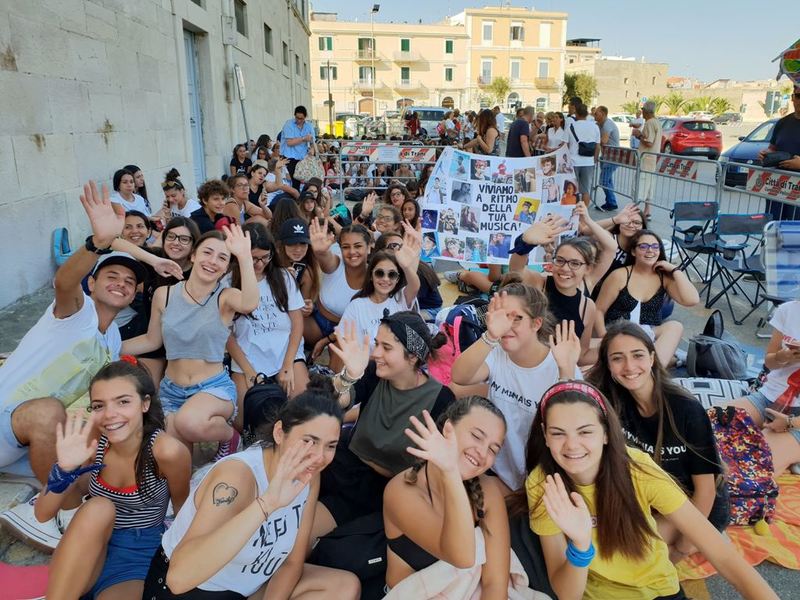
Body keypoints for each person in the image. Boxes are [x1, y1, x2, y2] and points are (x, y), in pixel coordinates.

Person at [521, 380, 778, 600]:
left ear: (606, 433)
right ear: (545, 435)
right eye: (558, 433)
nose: (572, 445)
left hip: (657, 593)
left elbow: (721, 554)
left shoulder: (638, 470)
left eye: (585, 431)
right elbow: (568, 594)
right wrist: (580, 544)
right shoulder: (542, 484)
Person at [0, 182, 146, 550]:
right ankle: (55, 513)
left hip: (30, 446)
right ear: (92, 282)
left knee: (109, 424)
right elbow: (64, 281)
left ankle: (52, 502)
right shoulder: (76, 312)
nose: (121, 284)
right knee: (50, 411)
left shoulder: (113, 338)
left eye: (129, 282)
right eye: (112, 276)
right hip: (7, 423)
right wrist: (98, 243)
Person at [142, 377, 361, 600]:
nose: (319, 456)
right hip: (193, 591)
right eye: (308, 441)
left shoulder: (309, 475)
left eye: (330, 446)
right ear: (279, 433)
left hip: (246, 588)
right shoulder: (238, 477)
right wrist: (268, 503)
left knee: (343, 587)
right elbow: (178, 579)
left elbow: (292, 562)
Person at [37, 360, 191, 599]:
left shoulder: (167, 452)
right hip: (87, 545)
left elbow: (183, 511)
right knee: (99, 507)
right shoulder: (96, 436)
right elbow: (42, 513)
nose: (109, 414)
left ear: (145, 403)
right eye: (99, 405)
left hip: (138, 555)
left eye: (123, 402)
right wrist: (64, 469)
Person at [587, 321, 729, 562]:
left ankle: (711, 538)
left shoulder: (686, 409)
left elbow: (706, 491)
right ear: (608, 365)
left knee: (625, 557)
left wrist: (682, 548)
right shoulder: (612, 401)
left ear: (652, 358)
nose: (629, 366)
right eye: (618, 358)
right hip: (648, 498)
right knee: (596, 545)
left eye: (638, 355)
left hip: (692, 505)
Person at [312, 312, 456, 538]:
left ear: (412, 356)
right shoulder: (374, 373)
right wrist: (348, 376)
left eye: (386, 347)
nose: (376, 353)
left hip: (385, 494)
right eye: (376, 344)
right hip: (343, 467)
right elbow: (332, 402)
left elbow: (434, 470)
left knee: (318, 539)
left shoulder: (441, 400)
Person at [121, 224, 258, 459]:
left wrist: (245, 257)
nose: (212, 261)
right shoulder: (165, 295)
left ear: (226, 267)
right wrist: (109, 346)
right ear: (193, 255)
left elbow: (249, 303)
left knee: (189, 422)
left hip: (212, 387)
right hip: (171, 390)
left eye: (222, 257)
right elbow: (152, 340)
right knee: (175, 457)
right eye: (207, 252)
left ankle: (230, 437)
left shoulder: (225, 297)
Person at [451, 286, 582, 493]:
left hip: (542, 480)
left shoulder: (561, 363)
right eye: (501, 316)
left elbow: (570, 430)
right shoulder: (496, 352)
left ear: (536, 323)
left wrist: (566, 372)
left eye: (516, 318)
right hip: (496, 472)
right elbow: (460, 376)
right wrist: (490, 336)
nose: (505, 326)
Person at [383, 398, 512, 597]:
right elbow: (462, 557)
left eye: (493, 449)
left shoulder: (489, 491)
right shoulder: (402, 491)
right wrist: (450, 471)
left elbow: (495, 583)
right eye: (476, 436)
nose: (482, 452)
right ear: (448, 429)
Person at [228, 223, 309, 423]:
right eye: (253, 258)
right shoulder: (228, 282)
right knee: (242, 420)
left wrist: (288, 364)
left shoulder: (283, 277)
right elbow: (226, 335)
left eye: (265, 257)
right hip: (248, 357)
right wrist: (249, 372)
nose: (259, 264)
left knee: (302, 412)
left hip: (285, 352)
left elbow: (297, 323)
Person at [595, 229, 699, 366]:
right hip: (619, 333)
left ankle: (657, 364)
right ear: (633, 251)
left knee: (675, 326)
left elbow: (692, 300)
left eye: (655, 246)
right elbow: (598, 310)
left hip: (649, 334)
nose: (650, 250)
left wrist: (675, 270)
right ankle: (667, 361)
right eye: (643, 246)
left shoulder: (663, 278)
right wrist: (603, 337)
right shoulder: (620, 275)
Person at [728, 298, 800, 475]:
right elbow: (770, 362)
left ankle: (787, 451)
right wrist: (783, 357)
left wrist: (791, 423)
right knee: (704, 426)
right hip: (769, 397)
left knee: (753, 467)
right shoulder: (788, 310)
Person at [339, 227, 421, 349]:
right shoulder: (356, 305)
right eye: (379, 273)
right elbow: (344, 342)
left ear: (397, 279)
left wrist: (406, 267)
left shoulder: (400, 298)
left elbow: (415, 286)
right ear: (371, 276)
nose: (385, 279)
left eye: (392, 275)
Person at [304, 221, 371, 358]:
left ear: (369, 247)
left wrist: (327, 340)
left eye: (358, 246)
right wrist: (320, 252)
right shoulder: (336, 263)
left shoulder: (377, 275)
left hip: (349, 333)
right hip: (317, 322)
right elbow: (325, 257)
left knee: (340, 357)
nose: (352, 252)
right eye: (346, 247)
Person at [758, 84, 800, 221]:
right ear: (793, 98)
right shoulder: (783, 122)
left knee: (794, 230)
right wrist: (766, 154)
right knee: (773, 226)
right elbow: (773, 147)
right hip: (777, 186)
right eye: (798, 96)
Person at [277, 218, 319, 316]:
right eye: (292, 243)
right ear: (282, 245)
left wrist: (308, 308)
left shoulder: (306, 272)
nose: (298, 249)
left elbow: (302, 311)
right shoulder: (267, 261)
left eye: (303, 243)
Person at [631, 101, 662, 216]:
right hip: (652, 158)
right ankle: (647, 210)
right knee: (649, 186)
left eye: (643, 110)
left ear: (646, 111)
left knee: (641, 185)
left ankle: (634, 211)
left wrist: (638, 135)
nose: (642, 112)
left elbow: (649, 142)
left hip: (646, 159)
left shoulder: (649, 123)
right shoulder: (657, 122)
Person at [567, 104, 600, 206]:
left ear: (576, 113)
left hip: (573, 162)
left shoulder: (571, 127)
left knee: (572, 188)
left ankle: (573, 211)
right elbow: (598, 146)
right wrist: (594, 160)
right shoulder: (595, 127)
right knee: (586, 190)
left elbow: (565, 145)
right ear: (587, 114)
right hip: (588, 162)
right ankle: (585, 212)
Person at [280, 105, 316, 189]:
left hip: (302, 158)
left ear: (305, 117)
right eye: (297, 118)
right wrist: (303, 138)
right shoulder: (288, 124)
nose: (299, 120)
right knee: (293, 183)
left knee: (305, 182)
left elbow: (312, 141)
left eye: (301, 118)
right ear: (294, 115)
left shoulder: (309, 126)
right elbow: (289, 142)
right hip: (289, 157)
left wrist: (312, 149)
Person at [594, 106, 621, 211]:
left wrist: (593, 140)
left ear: (603, 113)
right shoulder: (599, 124)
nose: (594, 115)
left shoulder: (607, 124)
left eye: (596, 113)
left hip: (612, 157)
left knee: (603, 181)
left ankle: (612, 202)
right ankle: (611, 202)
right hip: (606, 156)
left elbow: (604, 141)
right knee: (608, 180)